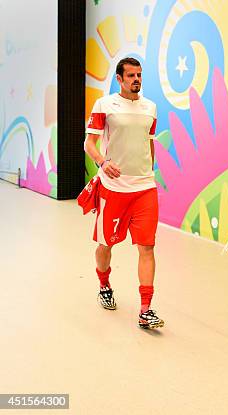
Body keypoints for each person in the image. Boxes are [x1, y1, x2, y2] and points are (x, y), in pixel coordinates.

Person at [81, 57, 164, 329]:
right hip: (113, 189)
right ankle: (104, 285)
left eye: (139, 74)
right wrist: (103, 163)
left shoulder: (150, 108)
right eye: (130, 75)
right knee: (106, 245)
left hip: (144, 188)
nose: (136, 79)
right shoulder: (104, 105)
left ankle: (145, 309)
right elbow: (89, 143)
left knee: (147, 246)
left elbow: (149, 144)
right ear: (119, 78)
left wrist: (149, 171)